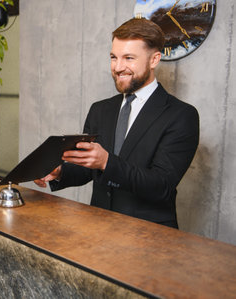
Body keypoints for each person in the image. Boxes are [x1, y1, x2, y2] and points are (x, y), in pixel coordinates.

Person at [35, 18, 199, 228]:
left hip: (151, 238)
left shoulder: (181, 115)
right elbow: (90, 169)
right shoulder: (100, 109)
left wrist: (106, 162)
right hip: (99, 229)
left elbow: (162, 185)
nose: (118, 67)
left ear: (154, 60)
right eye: (113, 57)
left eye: (129, 58)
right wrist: (59, 173)